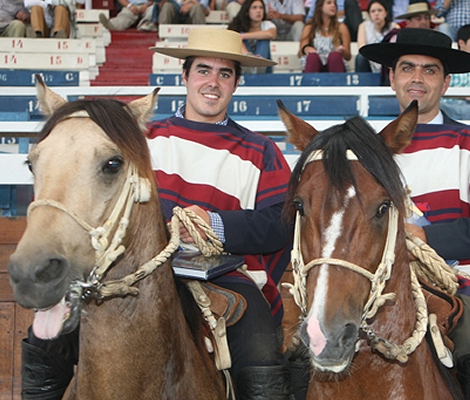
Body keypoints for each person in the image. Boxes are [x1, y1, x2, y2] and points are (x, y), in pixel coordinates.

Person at [20, 28, 295, 400]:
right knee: (46, 334)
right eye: (202, 70)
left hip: (225, 277)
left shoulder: (260, 149)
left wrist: (214, 225)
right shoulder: (139, 140)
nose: (212, 82)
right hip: (133, 270)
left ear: (236, 83)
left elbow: (280, 224)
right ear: (184, 76)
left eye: (224, 73)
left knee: (259, 344)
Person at [359, 27, 470, 400]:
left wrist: (429, 238)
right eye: (407, 68)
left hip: (460, 284)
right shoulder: (365, 155)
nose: (417, 78)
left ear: (447, 82)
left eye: (429, 70)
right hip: (375, 289)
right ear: (392, 78)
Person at [298, 0, 351, 72]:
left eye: (334, 4)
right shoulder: (309, 27)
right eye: (329, 3)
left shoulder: (341, 27)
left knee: (335, 57)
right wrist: (306, 48)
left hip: (335, 64)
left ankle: (337, 82)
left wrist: (342, 51)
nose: (333, 6)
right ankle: (310, 82)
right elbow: (300, 53)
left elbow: (348, 56)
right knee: (312, 58)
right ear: (320, 7)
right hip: (316, 64)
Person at [228, 0, 277, 73]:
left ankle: (259, 64)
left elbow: (271, 34)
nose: (258, 11)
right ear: (247, 11)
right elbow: (232, 37)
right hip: (244, 64)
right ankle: (248, 62)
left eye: (261, 8)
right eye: (254, 8)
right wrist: (249, 56)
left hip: (264, 68)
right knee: (237, 39)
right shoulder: (238, 25)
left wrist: (243, 36)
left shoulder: (267, 24)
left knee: (264, 38)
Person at [354, 0, 398, 72]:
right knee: (360, 57)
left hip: (387, 60)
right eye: (373, 11)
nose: (376, 14)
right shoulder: (363, 26)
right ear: (369, 14)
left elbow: (395, 50)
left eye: (380, 10)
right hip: (370, 59)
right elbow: (361, 48)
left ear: (386, 13)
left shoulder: (394, 27)